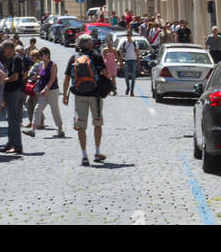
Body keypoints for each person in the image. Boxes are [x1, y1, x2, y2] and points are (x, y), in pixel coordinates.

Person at [63, 34, 108, 166]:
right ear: (89, 44)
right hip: (95, 95)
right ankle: (97, 152)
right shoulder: (97, 56)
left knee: (80, 126)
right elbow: (107, 73)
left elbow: (66, 78)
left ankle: (84, 156)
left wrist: (65, 95)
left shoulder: (74, 57)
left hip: (79, 95)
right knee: (97, 124)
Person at [0, 39, 25, 155]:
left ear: (9, 49)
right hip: (11, 91)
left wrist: (3, 81)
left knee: (13, 119)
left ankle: (17, 146)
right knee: (10, 119)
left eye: (4, 50)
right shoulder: (12, 59)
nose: (3, 52)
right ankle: (10, 144)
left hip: (14, 91)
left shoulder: (16, 59)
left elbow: (15, 77)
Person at [30, 47, 64, 135]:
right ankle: (32, 130)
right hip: (43, 91)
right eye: (39, 55)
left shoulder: (53, 65)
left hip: (52, 90)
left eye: (41, 55)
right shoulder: (41, 64)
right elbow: (42, 76)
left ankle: (60, 129)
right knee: (37, 109)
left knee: (54, 110)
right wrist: (36, 77)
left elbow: (52, 79)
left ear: (47, 55)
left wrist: (46, 89)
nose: (40, 57)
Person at [119, 30, 141, 94]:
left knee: (133, 76)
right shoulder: (124, 43)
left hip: (134, 61)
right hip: (127, 61)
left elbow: (137, 53)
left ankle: (132, 90)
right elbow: (121, 53)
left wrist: (139, 63)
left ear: (131, 35)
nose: (128, 36)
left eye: (129, 35)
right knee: (126, 76)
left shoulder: (135, 43)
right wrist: (120, 62)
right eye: (127, 35)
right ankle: (128, 87)